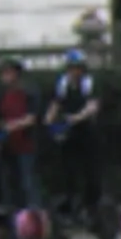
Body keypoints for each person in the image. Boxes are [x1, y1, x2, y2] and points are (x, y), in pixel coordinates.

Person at [46, 49, 102, 216]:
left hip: (87, 132)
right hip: (69, 134)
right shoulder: (63, 83)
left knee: (90, 171)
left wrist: (77, 117)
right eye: (71, 68)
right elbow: (56, 102)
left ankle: (92, 206)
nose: (74, 72)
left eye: (77, 68)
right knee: (69, 170)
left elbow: (93, 105)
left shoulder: (90, 83)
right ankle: (71, 204)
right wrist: (49, 117)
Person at [0, 58, 43, 215]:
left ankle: (35, 217)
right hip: (8, 145)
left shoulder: (29, 91)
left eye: (8, 72)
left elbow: (32, 118)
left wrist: (11, 126)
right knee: (10, 183)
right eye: (2, 73)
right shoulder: (3, 93)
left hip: (26, 143)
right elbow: (1, 117)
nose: (5, 76)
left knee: (28, 182)